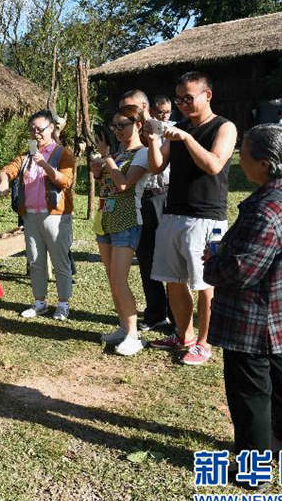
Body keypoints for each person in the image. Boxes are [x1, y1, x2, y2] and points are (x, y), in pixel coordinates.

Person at [203, 125, 282, 488]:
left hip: (255, 316)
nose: (239, 160)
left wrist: (213, 263)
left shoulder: (266, 210)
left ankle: (253, 468)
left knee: (250, 390)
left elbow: (241, 270)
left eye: (245, 154)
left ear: (266, 164)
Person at [146, 72, 237, 366]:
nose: (183, 104)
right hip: (173, 214)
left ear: (207, 95)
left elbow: (214, 164)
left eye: (189, 97)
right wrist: (152, 140)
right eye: (179, 99)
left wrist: (185, 138)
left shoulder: (224, 127)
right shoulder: (178, 127)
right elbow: (158, 167)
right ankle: (182, 336)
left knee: (204, 284)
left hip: (206, 217)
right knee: (173, 281)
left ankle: (204, 342)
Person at [0, 110, 75, 321]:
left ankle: (63, 304)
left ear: (51, 128)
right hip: (30, 216)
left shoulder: (63, 153)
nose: (35, 133)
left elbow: (65, 181)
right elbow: (8, 169)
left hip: (55, 217)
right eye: (32, 129)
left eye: (39, 129)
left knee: (60, 262)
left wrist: (44, 165)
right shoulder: (26, 155)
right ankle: (40, 302)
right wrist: (4, 180)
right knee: (35, 261)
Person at [92, 106, 151, 356]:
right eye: (114, 126)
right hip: (105, 219)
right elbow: (105, 181)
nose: (117, 130)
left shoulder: (143, 153)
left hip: (127, 222)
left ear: (138, 124)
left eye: (122, 125)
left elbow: (124, 184)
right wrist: (97, 170)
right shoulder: (117, 154)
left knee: (119, 280)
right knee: (112, 280)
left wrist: (105, 158)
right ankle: (123, 327)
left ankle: (134, 335)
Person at [120, 90, 172, 333]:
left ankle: (177, 317)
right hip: (140, 200)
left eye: (129, 108)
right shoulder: (128, 132)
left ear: (144, 105)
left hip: (163, 196)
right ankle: (155, 314)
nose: (125, 113)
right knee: (146, 259)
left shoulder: (164, 129)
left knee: (169, 260)